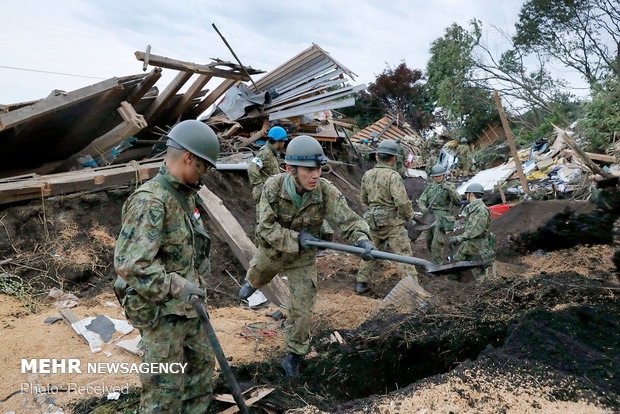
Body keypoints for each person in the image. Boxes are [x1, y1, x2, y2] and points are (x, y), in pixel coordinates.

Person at [237, 135, 374, 377]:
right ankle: (252, 282)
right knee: (258, 274)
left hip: (303, 258)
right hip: (272, 250)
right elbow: (265, 228)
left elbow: (347, 219)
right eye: (309, 170)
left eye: (319, 169)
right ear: (290, 169)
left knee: (302, 307)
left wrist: (362, 239)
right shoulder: (273, 187)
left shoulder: (325, 191)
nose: (315, 175)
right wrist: (294, 238)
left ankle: (293, 355)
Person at [113, 120, 219, 413]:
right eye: (204, 166)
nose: (205, 173)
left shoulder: (186, 196)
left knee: (200, 376)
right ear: (189, 159)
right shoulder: (151, 201)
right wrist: (177, 285)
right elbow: (131, 264)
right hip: (162, 315)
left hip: (191, 309)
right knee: (165, 392)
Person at [356, 139, 415, 295]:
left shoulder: (367, 175)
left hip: (373, 222)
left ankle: (361, 283)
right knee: (404, 255)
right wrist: (409, 216)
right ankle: (413, 289)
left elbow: (363, 199)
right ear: (393, 158)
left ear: (377, 156)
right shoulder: (393, 176)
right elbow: (402, 202)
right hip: (392, 223)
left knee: (370, 252)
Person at [449, 183, 495, 278]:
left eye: (467, 194)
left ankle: (480, 288)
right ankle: (454, 284)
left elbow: (474, 230)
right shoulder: (472, 208)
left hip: (478, 246)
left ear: (471, 194)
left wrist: (459, 238)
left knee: (478, 271)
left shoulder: (481, 210)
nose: (466, 197)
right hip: (469, 244)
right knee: (457, 262)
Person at [418, 165, 461, 265]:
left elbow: (457, 201)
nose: (437, 178)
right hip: (430, 216)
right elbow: (421, 200)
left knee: (436, 242)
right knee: (429, 240)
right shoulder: (430, 187)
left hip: (442, 217)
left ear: (443, 175)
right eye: (435, 177)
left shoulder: (449, 186)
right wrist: (423, 208)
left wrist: (448, 189)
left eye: (439, 176)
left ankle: (438, 264)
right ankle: (435, 259)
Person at [247, 125, 288, 203]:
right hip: (264, 196)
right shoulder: (265, 153)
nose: (284, 144)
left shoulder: (273, 153)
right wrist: (261, 186)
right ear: (278, 141)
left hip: (271, 194)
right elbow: (252, 168)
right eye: (283, 141)